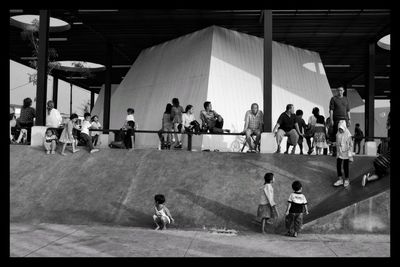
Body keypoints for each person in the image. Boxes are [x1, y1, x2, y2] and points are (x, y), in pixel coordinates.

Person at [329, 87, 351, 157]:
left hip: (345, 120)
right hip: (336, 120)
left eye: (341, 90)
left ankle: (343, 151)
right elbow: (331, 110)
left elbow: (348, 110)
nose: (340, 92)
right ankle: (335, 151)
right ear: (336, 91)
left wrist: (349, 119)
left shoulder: (346, 99)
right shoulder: (333, 99)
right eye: (338, 90)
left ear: (343, 91)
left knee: (344, 136)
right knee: (336, 135)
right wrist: (331, 119)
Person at [333, 120, 353, 188]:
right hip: (339, 152)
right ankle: (340, 179)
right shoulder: (337, 133)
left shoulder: (348, 134)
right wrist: (335, 146)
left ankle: (347, 179)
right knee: (338, 165)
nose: (340, 130)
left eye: (341, 128)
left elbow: (351, 145)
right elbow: (337, 143)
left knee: (345, 166)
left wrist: (350, 155)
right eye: (339, 128)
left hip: (346, 152)